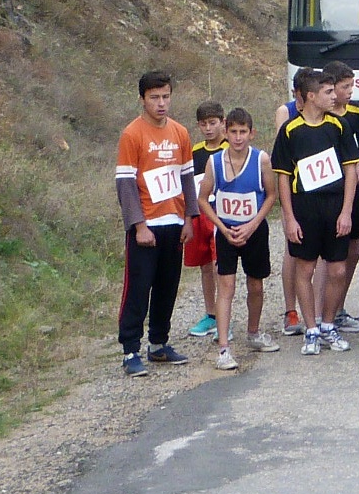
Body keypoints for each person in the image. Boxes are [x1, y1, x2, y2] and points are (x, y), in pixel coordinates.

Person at [271, 69, 359, 356]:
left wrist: (347, 211)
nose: (334, 97)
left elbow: (350, 170)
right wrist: (289, 218)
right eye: (328, 92)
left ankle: (328, 324)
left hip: (334, 205)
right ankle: (310, 328)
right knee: (305, 268)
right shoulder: (290, 130)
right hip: (305, 207)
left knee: (337, 269)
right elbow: (283, 176)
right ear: (311, 96)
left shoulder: (339, 125)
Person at [115, 71, 197, 376]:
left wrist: (189, 218)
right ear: (142, 100)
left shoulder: (180, 133)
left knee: (167, 286)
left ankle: (159, 344)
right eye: (154, 98)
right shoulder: (132, 134)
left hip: (174, 223)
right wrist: (139, 225)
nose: (161, 103)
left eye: (165, 96)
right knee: (138, 288)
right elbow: (125, 184)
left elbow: (186, 178)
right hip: (146, 225)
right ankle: (129, 350)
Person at [196, 107, 279, 370]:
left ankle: (253, 332)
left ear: (251, 133)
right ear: (226, 132)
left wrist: (253, 225)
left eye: (243, 132)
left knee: (255, 285)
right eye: (233, 132)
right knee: (226, 288)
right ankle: (223, 348)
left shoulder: (261, 160)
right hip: (226, 231)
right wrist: (221, 226)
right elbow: (203, 198)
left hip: (254, 231)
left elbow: (271, 195)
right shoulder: (215, 162)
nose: (238, 137)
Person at [324, 61, 359, 334]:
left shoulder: (357, 112)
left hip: (356, 192)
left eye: (351, 85)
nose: (350, 91)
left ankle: (339, 309)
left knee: (353, 249)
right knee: (330, 255)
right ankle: (325, 314)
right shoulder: (321, 117)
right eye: (345, 87)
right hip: (328, 193)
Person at [184, 101, 228, 340]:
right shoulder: (195, 152)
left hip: (222, 212)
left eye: (213, 123)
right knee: (204, 265)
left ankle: (224, 317)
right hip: (201, 212)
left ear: (222, 122)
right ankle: (210, 314)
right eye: (204, 124)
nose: (209, 128)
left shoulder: (230, 148)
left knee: (218, 264)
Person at [274, 74, 310, 337]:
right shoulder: (285, 111)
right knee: (293, 251)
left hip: (319, 191)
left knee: (315, 257)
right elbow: (283, 150)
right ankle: (291, 310)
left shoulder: (323, 110)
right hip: (296, 187)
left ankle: (314, 310)